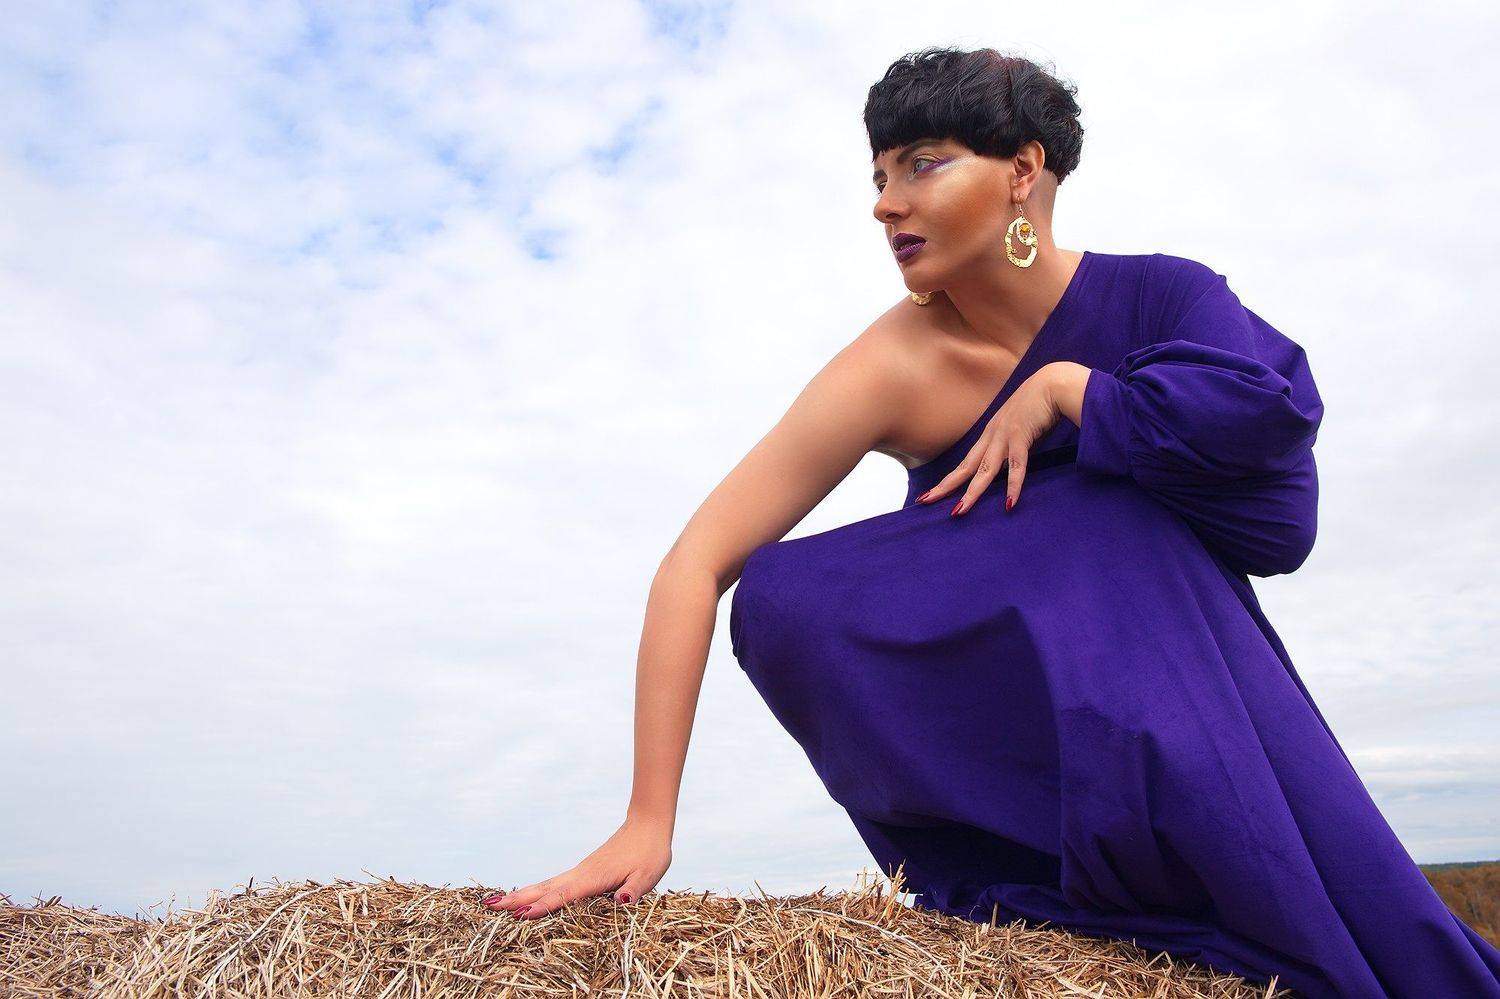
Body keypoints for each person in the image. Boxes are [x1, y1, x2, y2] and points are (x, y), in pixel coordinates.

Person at [481, 46, 1500, 998]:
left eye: (921, 164)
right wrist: (647, 818)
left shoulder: (1164, 296)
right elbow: (696, 562)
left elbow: (1273, 475)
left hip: (1181, 697)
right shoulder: (894, 363)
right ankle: (1028, 873)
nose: (886, 203)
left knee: (1113, 518)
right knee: (783, 591)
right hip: (1021, 742)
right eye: (879, 176)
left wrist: (1074, 393)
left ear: (1023, 170)